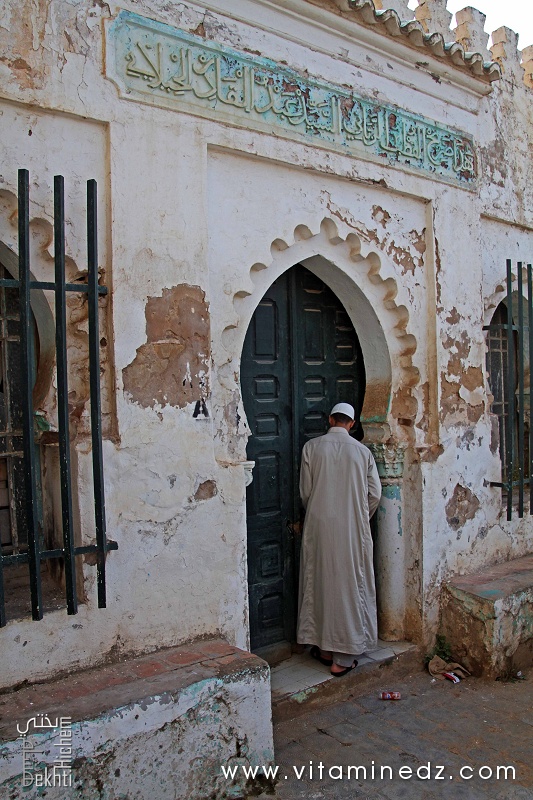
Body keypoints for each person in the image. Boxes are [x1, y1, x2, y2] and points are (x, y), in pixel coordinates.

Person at [296, 402, 382, 676]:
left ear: (330, 419)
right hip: (352, 529)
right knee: (348, 586)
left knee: (319, 582)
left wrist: (321, 511)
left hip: (318, 526)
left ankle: (322, 648)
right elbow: (375, 494)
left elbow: (306, 493)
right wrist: (358, 515)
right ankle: (342, 659)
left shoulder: (311, 448)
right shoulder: (362, 452)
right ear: (353, 424)